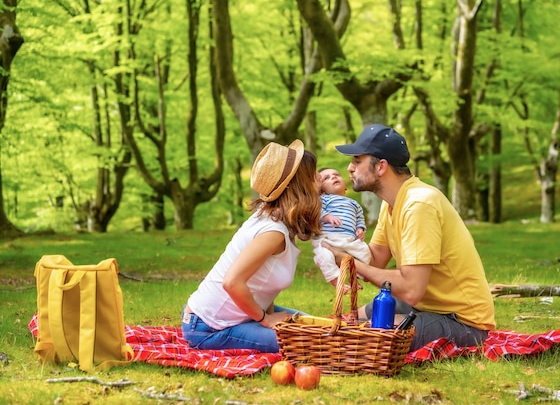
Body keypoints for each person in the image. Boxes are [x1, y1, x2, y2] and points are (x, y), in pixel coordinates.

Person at [329, 124, 496, 351]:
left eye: (357, 161)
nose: (349, 168)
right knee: (345, 322)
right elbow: (375, 259)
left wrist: (352, 264)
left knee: (366, 335)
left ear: (381, 167)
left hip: (462, 322)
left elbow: (411, 289)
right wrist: (332, 244)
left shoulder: (418, 204)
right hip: (425, 307)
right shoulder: (391, 203)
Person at [182, 140, 321, 353]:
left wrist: (272, 316)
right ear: (299, 186)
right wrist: (266, 320)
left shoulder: (275, 219)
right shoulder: (272, 232)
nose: (319, 179)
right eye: (313, 176)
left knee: (314, 326)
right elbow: (232, 281)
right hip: (207, 327)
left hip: (235, 316)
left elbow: (263, 283)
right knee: (308, 344)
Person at [311, 168, 371, 290]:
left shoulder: (354, 203)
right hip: (328, 239)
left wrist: (360, 228)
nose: (333, 177)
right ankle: (336, 281)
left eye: (336, 175)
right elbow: (315, 209)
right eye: (327, 178)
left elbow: (359, 218)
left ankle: (355, 277)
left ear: (345, 187)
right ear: (321, 190)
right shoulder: (323, 199)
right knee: (325, 256)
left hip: (349, 240)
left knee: (366, 253)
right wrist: (326, 216)